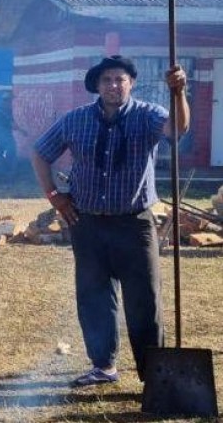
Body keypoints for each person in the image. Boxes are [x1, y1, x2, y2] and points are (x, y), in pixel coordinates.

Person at [31, 55, 189, 386]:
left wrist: (179, 92)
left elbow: (178, 129)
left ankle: (154, 375)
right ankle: (103, 366)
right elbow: (40, 152)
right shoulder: (75, 120)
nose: (114, 85)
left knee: (144, 301)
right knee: (93, 296)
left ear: (131, 83)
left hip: (134, 224)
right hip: (87, 224)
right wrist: (55, 196)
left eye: (120, 79)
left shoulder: (148, 116)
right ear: (97, 86)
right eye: (107, 80)